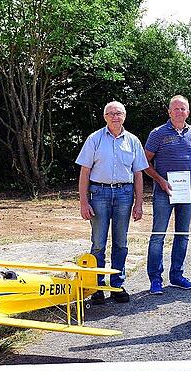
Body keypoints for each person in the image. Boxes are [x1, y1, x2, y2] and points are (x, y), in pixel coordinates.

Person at [76, 101, 148, 304]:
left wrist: (139, 203)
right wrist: (83, 202)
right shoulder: (94, 139)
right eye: (111, 113)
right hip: (99, 193)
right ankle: (96, 287)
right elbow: (85, 172)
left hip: (125, 194)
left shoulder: (133, 141)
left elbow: (138, 173)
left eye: (119, 113)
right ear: (104, 116)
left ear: (124, 116)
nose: (115, 117)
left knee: (121, 242)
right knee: (98, 243)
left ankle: (117, 284)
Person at [144, 95, 191, 294]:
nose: (179, 112)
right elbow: (145, 162)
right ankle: (155, 279)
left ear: (188, 112)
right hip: (163, 193)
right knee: (158, 236)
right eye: (175, 109)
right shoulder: (157, 133)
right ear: (169, 112)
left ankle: (176, 275)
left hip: (186, 193)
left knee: (182, 235)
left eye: (183, 109)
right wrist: (160, 180)